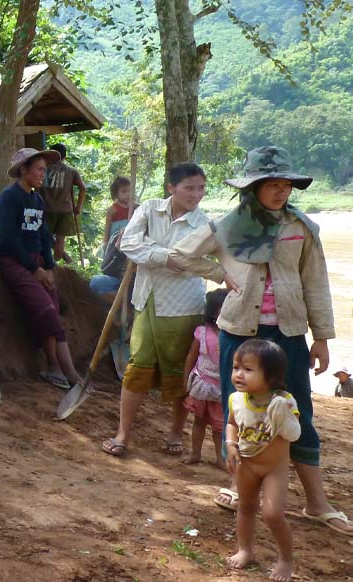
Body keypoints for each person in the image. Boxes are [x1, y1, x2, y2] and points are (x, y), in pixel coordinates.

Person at [169, 146, 352, 536]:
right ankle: (237, 485)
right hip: (239, 331)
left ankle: (316, 503)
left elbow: (315, 283)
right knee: (238, 411)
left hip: (287, 333)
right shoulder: (225, 226)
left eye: (286, 184)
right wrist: (220, 273)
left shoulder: (300, 228)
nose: (281, 190)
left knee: (298, 410)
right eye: (272, 184)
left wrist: (321, 338)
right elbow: (181, 255)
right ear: (253, 188)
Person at [100, 163, 211, 458]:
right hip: (146, 299)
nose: (196, 194)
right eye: (189, 187)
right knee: (138, 365)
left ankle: (176, 432)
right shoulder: (149, 209)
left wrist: (154, 254)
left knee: (181, 370)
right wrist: (166, 257)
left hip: (184, 305)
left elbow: (191, 262)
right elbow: (128, 243)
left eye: (201, 188)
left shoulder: (204, 224)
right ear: (171, 188)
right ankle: (123, 432)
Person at [0, 147, 83, 390]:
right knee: (46, 311)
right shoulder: (9, 198)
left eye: (45, 169)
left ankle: (59, 370)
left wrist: (50, 266)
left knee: (52, 309)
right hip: (15, 262)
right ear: (24, 170)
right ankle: (66, 372)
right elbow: (5, 239)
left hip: (38, 264)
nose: (43, 174)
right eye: (39, 169)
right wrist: (34, 268)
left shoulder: (37, 200)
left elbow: (44, 237)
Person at [224, 339, 299, 582]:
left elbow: (293, 433)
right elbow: (232, 424)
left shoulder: (283, 401)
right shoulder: (236, 399)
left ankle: (286, 559)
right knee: (245, 507)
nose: (239, 375)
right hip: (247, 463)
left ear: (271, 375)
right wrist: (230, 444)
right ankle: (245, 549)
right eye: (236, 368)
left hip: (273, 468)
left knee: (272, 514)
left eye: (248, 369)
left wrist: (283, 413)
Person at [181, 289, 228, 468]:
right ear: (214, 312)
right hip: (202, 383)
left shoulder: (233, 336)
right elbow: (191, 356)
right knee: (199, 421)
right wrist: (186, 379)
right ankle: (195, 453)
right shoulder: (201, 332)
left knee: (219, 426)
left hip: (221, 387)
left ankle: (220, 458)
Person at [89, 176, 135, 299]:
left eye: (130, 191)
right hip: (116, 244)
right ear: (116, 194)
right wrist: (105, 242)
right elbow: (107, 228)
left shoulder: (136, 208)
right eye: (124, 191)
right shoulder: (112, 210)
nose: (128, 194)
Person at [40, 143, 87, 264]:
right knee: (60, 239)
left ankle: (48, 262)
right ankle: (57, 263)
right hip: (65, 210)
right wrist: (78, 207)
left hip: (46, 209)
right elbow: (83, 188)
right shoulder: (71, 171)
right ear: (64, 157)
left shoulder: (43, 169)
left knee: (44, 237)